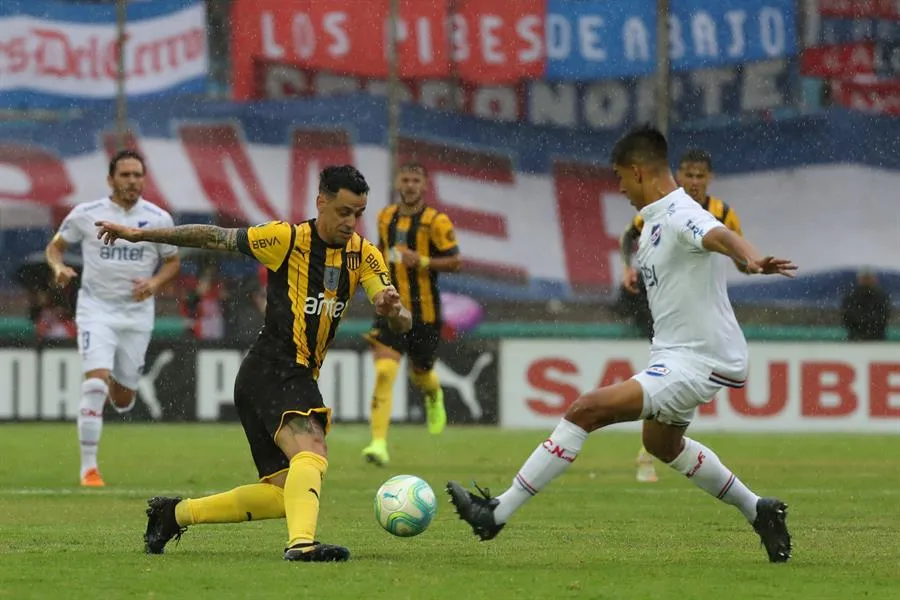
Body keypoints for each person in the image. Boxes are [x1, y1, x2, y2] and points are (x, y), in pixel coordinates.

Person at [446, 126, 796, 564]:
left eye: (620, 178)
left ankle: (495, 513)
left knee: (586, 410)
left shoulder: (680, 212)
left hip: (698, 359)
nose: (620, 188)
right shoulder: (651, 223)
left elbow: (717, 234)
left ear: (638, 171)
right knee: (662, 444)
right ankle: (759, 509)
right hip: (675, 354)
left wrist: (751, 258)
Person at [96, 165, 411, 563]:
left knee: (283, 494)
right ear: (321, 202)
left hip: (273, 377)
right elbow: (213, 236)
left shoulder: (363, 254)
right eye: (344, 211)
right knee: (312, 451)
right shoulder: (286, 239)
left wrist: (394, 309)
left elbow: (400, 317)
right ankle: (301, 545)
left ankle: (174, 515)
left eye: (358, 213)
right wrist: (141, 235)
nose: (351, 222)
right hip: (274, 368)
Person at [45, 150, 181, 487]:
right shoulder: (86, 214)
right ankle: (89, 470)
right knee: (95, 383)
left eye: (138, 175)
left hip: (137, 315)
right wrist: (58, 267)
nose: (132, 181)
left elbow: (172, 261)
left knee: (123, 400)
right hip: (96, 310)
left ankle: (110, 384)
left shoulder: (159, 219)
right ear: (110, 179)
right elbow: (56, 247)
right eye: (125, 175)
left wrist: (154, 284)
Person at [619, 148, 743, 483]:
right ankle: (650, 449)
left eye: (700, 175)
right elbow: (629, 235)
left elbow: (739, 254)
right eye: (688, 174)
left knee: (682, 380)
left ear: (710, 178)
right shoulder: (662, 207)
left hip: (701, 310)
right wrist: (628, 267)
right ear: (679, 175)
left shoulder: (723, 213)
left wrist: (751, 264)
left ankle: (652, 448)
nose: (694, 181)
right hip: (667, 306)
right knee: (672, 375)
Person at [361, 162, 461, 466]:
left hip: (425, 313)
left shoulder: (436, 221)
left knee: (421, 374)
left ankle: (434, 395)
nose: (410, 185)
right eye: (405, 179)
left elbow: (456, 262)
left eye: (416, 180)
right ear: (397, 183)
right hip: (391, 307)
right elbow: (380, 252)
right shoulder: (384, 217)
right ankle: (378, 444)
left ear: (425, 185)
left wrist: (424, 261)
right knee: (384, 372)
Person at [841, 268, 891, 341]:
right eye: (865, 278)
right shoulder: (851, 297)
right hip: (856, 337)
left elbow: (883, 317)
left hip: (876, 338)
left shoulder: (882, 297)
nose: (867, 281)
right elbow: (847, 317)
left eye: (868, 278)